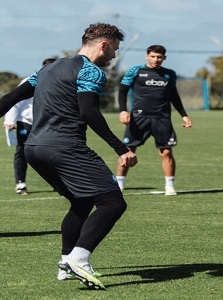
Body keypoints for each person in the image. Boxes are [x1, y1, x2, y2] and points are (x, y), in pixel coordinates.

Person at [0, 22, 137, 290]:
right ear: (103, 44)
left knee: (82, 200)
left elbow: (12, 97)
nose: (113, 56)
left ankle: (66, 263)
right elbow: (89, 112)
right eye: (114, 50)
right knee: (113, 203)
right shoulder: (91, 71)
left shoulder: (48, 68)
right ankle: (79, 258)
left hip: (34, 150)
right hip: (65, 146)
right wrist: (121, 148)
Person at [115, 44, 192, 196]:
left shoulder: (169, 74)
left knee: (166, 153)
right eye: (153, 56)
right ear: (147, 56)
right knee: (128, 152)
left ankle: (169, 186)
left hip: (162, 118)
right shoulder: (135, 71)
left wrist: (184, 115)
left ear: (164, 58)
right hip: (138, 118)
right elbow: (122, 91)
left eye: (159, 57)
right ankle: (119, 185)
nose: (156, 60)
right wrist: (123, 110)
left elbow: (174, 96)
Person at [3, 58, 56, 195]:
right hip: (26, 121)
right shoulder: (31, 81)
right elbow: (15, 101)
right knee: (22, 151)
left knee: (51, 151)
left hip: (46, 122)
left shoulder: (59, 82)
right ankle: (21, 183)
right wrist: (9, 120)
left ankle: (57, 182)